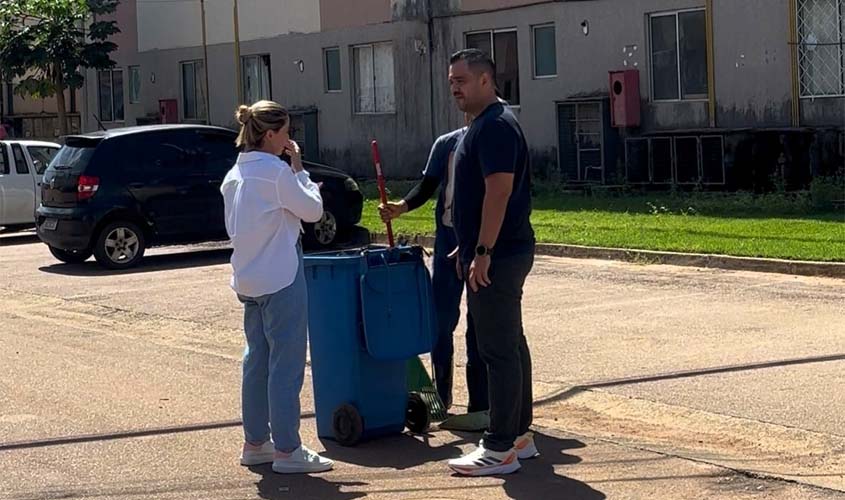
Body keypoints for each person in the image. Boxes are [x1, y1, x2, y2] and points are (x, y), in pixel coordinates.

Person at [221, 100, 334, 474]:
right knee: (285, 365)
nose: (289, 139)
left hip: (248, 276)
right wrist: (299, 169)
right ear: (270, 135)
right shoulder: (275, 172)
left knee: (257, 360)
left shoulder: (235, 175)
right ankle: (288, 449)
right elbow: (313, 211)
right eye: (286, 132)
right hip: (281, 276)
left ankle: (256, 442)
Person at [445, 49, 538, 476]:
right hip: (492, 251)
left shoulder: (496, 126)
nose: (455, 88)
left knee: (497, 349)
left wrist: (482, 251)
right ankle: (519, 435)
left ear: (486, 80)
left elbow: (499, 191)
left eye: (462, 80)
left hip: (498, 255)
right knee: (510, 342)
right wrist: (467, 245)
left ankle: (500, 446)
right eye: (451, 81)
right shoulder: (484, 124)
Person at [378, 117, 489, 417]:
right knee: (441, 322)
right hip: (447, 239)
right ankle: (441, 398)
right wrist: (400, 207)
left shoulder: (493, 138)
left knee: (479, 325)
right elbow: (428, 185)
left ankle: (480, 405)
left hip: (482, 239)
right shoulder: (446, 143)